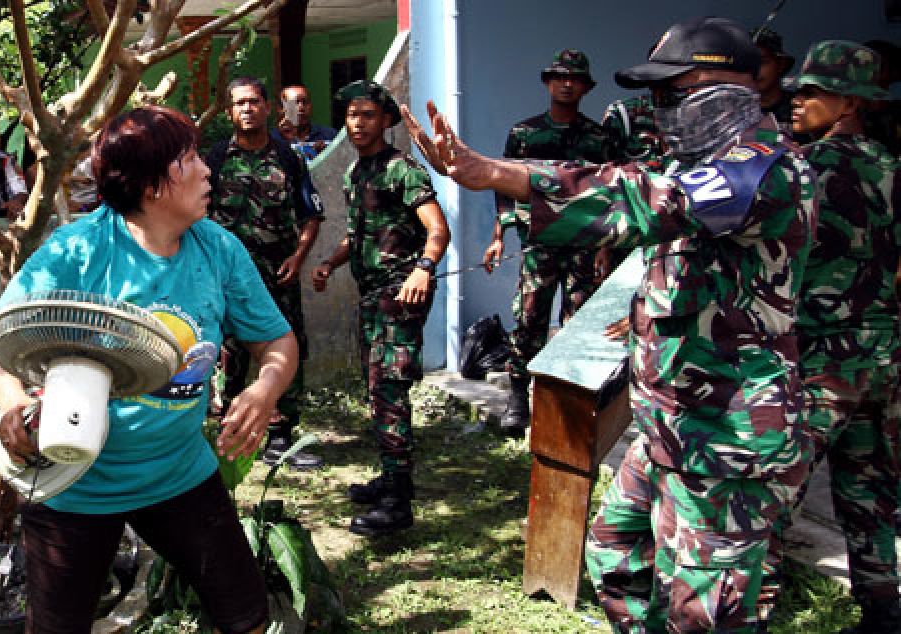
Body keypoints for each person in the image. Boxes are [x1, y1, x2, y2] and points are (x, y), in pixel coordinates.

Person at [403, 16, 816, 631]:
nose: (659, 109)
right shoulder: (696, 164)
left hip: (726, 439)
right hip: (670, 425)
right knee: (616, 554)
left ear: (723, 89)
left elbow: (639, 200)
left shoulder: (762, 169)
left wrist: (496, 173)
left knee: (706, 615)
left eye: (672, 92)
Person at [0, 105, 297, 633]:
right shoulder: (77, 251)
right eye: (189, 159)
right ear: (152, 186)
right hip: (75, 484)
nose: (207, 170)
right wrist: (15, 405)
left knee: (247, 618)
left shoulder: (216, 249)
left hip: (180, 472)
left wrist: (265, 390)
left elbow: (276, 340)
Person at [779, 40, 900, 631]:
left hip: (826, 355)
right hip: (884, 355)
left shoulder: (806, 168)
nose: (796, 100)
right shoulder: (892, 167)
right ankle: (882, 612)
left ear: (849, 100)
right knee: (869, 489)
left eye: (812, 91)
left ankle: (752, 602)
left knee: (776, 484)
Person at [311, 80, 450, 537]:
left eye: (367, 114)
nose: (358, 123)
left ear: (386, 120)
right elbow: (359, 233)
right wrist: (331, 263)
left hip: (400, 294)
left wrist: (423, 269)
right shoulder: (357, 173)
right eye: (352, 115)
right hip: (371, 296)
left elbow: (437, 229)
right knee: (376, 390)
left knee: (389, 388)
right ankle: (392, 477)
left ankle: (397, 502)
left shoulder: (403, 170)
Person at [482, 48, 612, 437]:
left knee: (579, 322)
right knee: (530, 318)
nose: (566, 84)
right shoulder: (525, 134)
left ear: (586, 87)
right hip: (539, 242)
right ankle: (518, 397)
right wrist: (500, 232)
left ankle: (571, 403)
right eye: (558, 77)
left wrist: (608, 242)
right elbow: (503, 184)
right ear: (547, 83)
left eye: (574, 79)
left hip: (584, 244)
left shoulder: (598, 139)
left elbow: (611, 191)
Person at [206, 76, 326, 471]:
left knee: (287, 348)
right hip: (226, 280)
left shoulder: (289, 158)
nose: (247, 109)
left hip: (278, 276)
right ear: (229, 112)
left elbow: (312, 215)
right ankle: (227, 430)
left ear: (268, 108)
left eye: (254, 102)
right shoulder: (215, 159)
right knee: (227, 353)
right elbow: (195, 217)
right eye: (239, 103)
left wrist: (298, 256)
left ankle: (282, 437)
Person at [271, 84, 337, 160]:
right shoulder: (272, 140)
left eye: (305, 102)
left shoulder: (329, 136)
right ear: (280, 109)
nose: (301, 107)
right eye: (295, 102)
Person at [751, 27, 798, 134]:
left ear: (781, 65)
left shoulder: (800, 107)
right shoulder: (732, 113)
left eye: (762, 62)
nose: (754, 70)